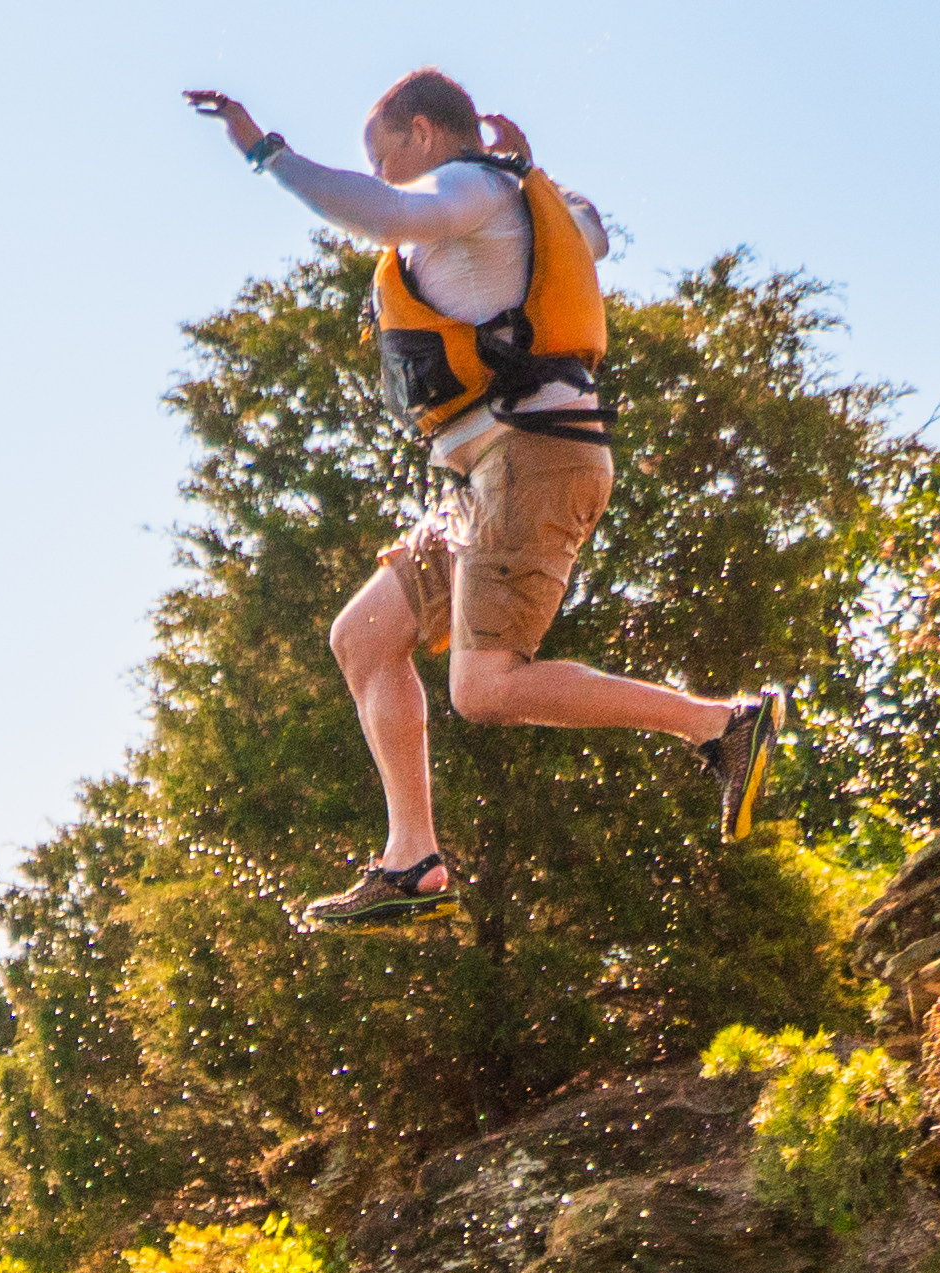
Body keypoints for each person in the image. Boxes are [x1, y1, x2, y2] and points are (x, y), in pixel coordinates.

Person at [172, 71, 782, 933]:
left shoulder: (464, 187)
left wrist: (267, 152)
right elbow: (593, 232)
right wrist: (531, 170)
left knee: (485, 688)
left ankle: (721, 724)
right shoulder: (506, 195)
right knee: (364, 637)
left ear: (423, 131)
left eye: (384, 156)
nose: (383, 179)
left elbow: (380, 215)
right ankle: (412, 860)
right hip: (488, 480)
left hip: (537, 459)